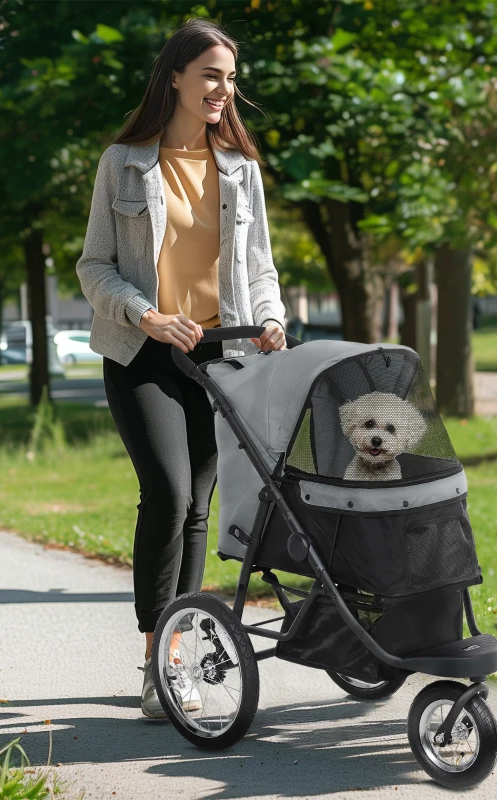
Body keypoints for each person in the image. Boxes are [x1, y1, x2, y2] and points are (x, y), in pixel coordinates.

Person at [75, 18, 287, 719]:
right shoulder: (124, 161)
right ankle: (154, 662)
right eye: (211, 76)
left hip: (220, 351)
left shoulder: (240, 171)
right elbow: (94, 265)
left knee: (199, 507)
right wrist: (146, 314)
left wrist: (273, 317)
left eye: (230, 78)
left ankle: (180, 657)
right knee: (166, 494)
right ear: (175, 77)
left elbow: (259, 268)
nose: (224, 90)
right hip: (143, 350)